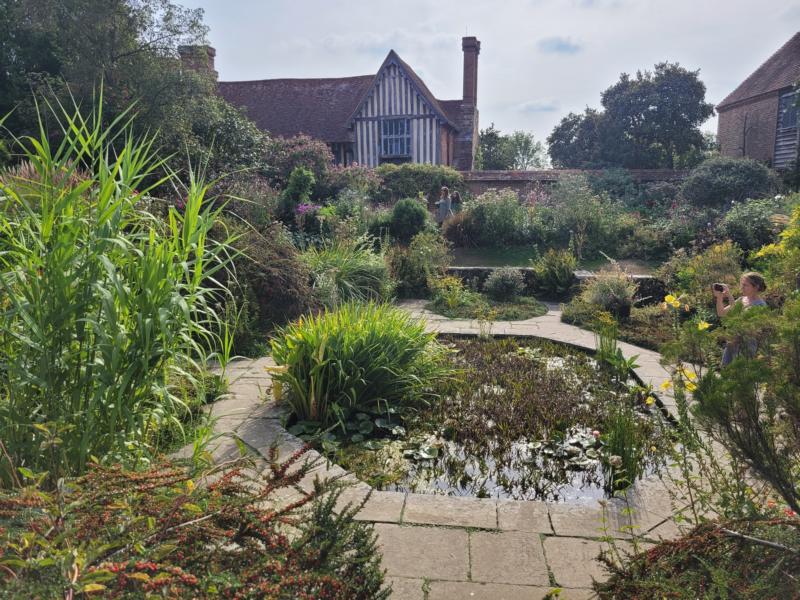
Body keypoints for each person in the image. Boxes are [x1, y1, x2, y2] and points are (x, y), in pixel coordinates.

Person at [713, 271, 768, 366]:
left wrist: (730, 296)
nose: (741, 288)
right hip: (732, 344)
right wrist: (719, 297)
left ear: (756, 287)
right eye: (741, 285)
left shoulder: (760, 305)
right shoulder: (741, 300)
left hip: (746, 346)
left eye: (745, 285)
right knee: (727, 374)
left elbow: (740, 319)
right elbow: (721, 313)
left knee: (742, 376)